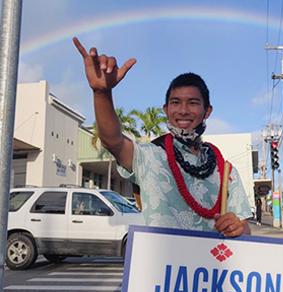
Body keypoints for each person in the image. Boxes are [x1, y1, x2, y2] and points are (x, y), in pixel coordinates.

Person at [73, 37, 252, 237]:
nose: (183, 110)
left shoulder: (226, 170)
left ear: (207, 111)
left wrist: (237, 227)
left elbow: (245, 228)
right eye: (175, 102)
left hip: (209, 266)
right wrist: (101, 92)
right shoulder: (148, 156)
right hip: (160, 268)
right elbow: (112, 139)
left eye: (193, 103)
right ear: (166, 109)